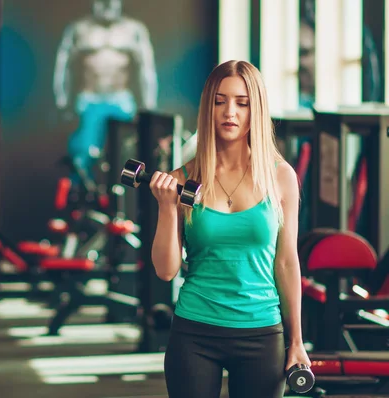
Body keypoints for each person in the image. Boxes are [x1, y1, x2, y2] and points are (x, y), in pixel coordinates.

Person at [149, 60, 311, 398]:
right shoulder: (183, 180)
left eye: (242, 102)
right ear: (208, 107)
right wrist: (166, 207)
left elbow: (286, 263)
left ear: (257, 109)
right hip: (195, 332)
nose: (230, 112)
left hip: (261, 331)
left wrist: (296, 341)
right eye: (220, 101)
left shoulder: (280, 178)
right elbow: (166, 272)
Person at [53, 0, 158, 183]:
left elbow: (146, 70)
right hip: (89, 99)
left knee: (128, 155)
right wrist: (62, 100)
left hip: (121, 100)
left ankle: (124, 202)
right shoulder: (79, 29)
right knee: (83, 154)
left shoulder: (133, 30)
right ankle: (83, 201)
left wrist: (148, 105)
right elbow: (64, 66)